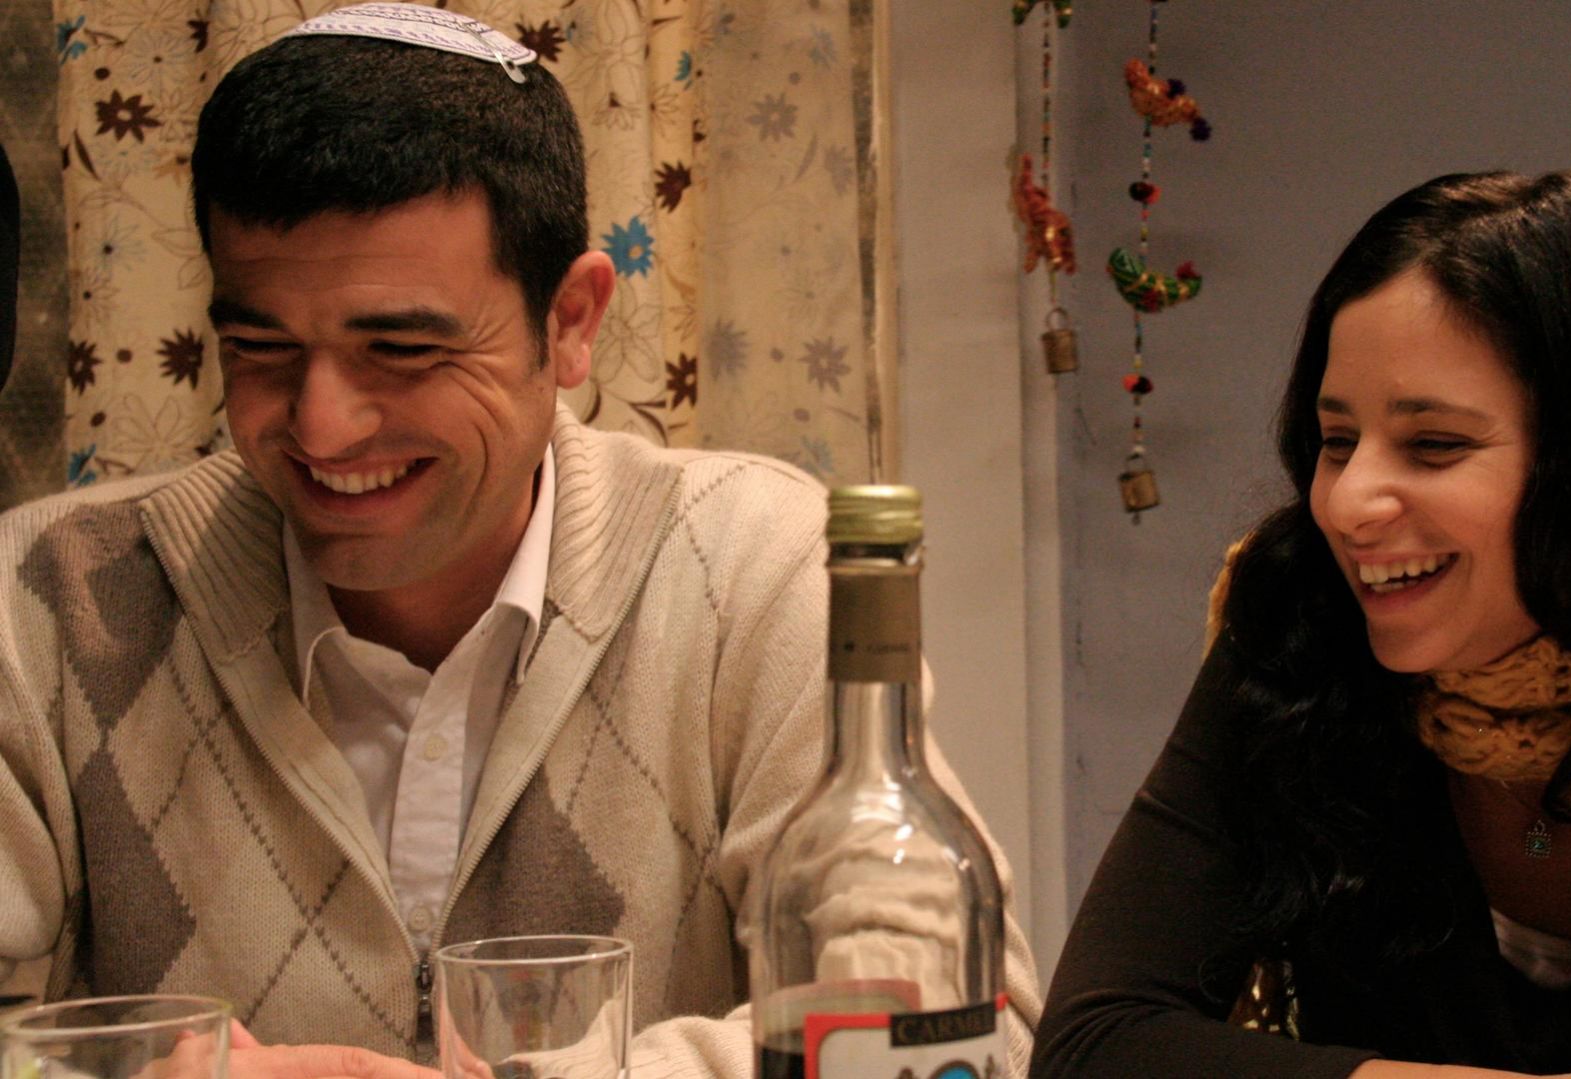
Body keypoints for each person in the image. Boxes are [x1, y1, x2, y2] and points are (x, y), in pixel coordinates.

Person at [0, 7, 1040, 1077]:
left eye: (401, 349)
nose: (321, 426)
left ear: (571, 320)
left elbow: (965, 1021)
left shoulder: (750, 570)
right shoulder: (44, 608)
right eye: (259, 347)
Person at [1033, 170, 1571, 1079]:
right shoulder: (1298, 624)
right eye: (1337, 441)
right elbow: (1094, 1045)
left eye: (1433, 445)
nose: (1347, 503)